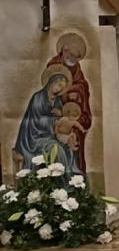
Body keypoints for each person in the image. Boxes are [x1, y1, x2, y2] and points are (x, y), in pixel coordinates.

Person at [14, 68, 79, 175]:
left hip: (51, 136)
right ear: (51, 83)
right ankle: (57, 184)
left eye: (62, 88)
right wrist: (54, 119)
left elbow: (61, 122)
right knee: (57, 149)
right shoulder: (38, 98)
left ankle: (68, 183)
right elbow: (35, 121)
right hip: (35, 137)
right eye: (58, 85)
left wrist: (60, 116)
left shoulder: (57, 101)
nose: (59, 89)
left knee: (68, 148)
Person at [45, 32, 91, 175]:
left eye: (76, 58)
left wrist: (77, 89)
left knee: (76, 132)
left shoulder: (76, 68)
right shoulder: (54, 65)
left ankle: (76, 174)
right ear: (64, 52)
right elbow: (51, 90)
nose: (73, 60)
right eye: (71, 56)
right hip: (56, 114)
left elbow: (82, 85)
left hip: (72, 112)